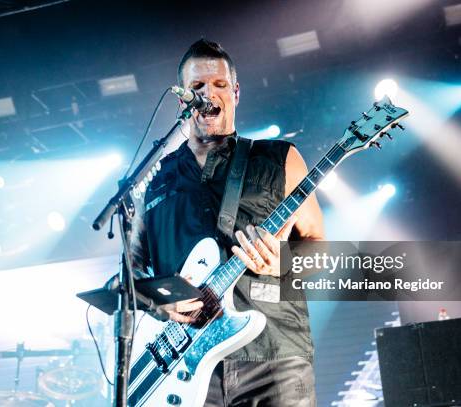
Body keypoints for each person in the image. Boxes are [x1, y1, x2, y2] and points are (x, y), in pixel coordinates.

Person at [127, 39, 325, 407]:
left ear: (235, 93)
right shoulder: (155, 180)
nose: (208, 94)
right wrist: (161, 304)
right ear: (183, 100)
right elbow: (132, 271)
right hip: (186, 364)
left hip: (274, 356)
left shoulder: (279, 158)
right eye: (197, 88)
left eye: (219, 85)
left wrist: (283, 261)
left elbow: (317, 244)